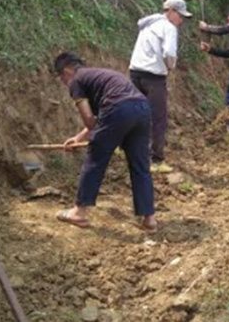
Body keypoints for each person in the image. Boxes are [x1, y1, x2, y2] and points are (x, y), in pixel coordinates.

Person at [55, 52, 157, 231]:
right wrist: (79, 138)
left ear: (67, 71)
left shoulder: (76, 81)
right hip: (142, 109)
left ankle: (79, 212)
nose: (64, 83)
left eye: (62, 78)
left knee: (96, 159)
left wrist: (99, 139)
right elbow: (103, 118)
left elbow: (89, 118)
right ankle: (149, 218)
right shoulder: (98, 76)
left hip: (119, 109)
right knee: (140, 165)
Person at [129, 0, 192, 173]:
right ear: (171, 12)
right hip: (153, 78)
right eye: (180, 16)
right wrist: (171, 67)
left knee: (136, 114)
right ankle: (156, 160)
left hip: (135, 73)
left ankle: (130, 151)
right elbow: (170, 53)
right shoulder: (169, 27)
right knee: (158, 118)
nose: (181, 21)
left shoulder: (149, 23)